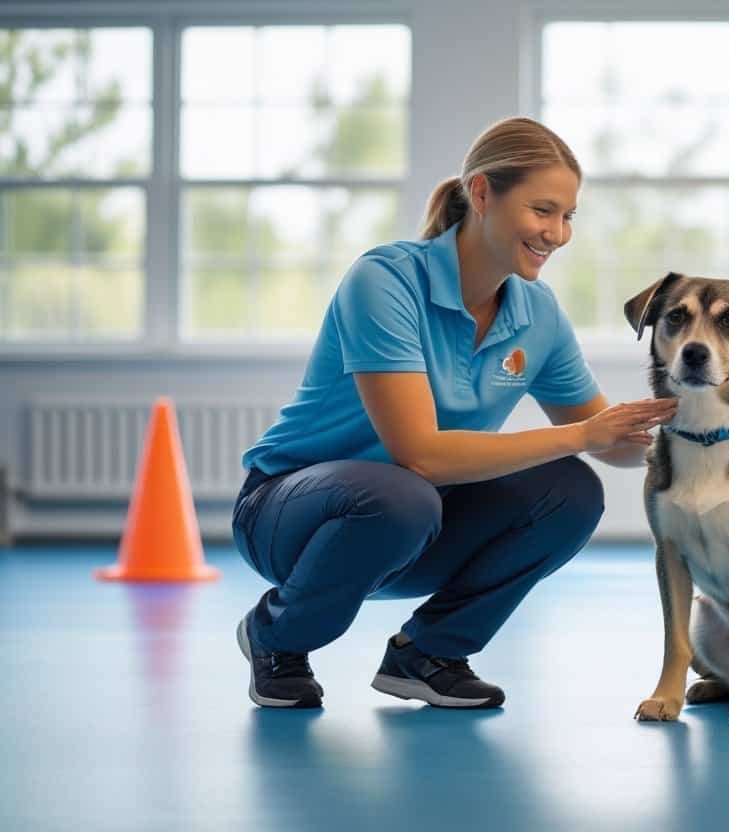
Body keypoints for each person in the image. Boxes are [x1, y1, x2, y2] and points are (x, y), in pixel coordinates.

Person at [231, 116, 677, 709]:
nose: (558, 233)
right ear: (483, 193)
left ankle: (428, 654)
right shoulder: (385, 280)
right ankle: (276, 636)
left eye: (568, 216)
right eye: (543, 210)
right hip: (289, 515)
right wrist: (580, 434)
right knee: (401, 493)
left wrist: (689, 433)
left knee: (572, 491)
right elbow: (419, 454)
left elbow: (609, 443)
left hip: (412, 521)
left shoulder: (536, 313)